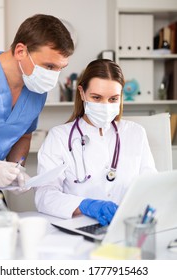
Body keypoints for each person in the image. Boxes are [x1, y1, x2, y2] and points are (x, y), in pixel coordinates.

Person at [0, 14, 74, 215]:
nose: (53, 76)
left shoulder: (36, 91)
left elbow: (23, 134)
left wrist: (16, 167)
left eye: (60, 68)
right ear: (20, 51)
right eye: (49, 66)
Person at [35, 59, 157, 226]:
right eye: (97, 97)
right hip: (78, 227)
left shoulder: (136, 133)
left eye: (113, 99)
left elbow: (151, 186)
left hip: (125, 226)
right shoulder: (59, 137)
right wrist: (86, 206)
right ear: (82, 93)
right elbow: (44, 196)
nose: (105, 106)